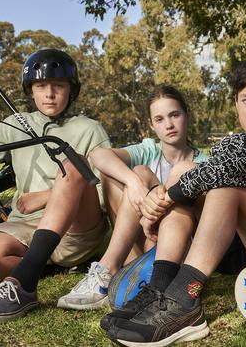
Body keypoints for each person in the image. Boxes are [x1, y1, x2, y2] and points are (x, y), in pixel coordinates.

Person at [104, 53, 246, 346]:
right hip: (239, 248)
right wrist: (171, 197)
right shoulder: (230, 143)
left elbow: (235, 168)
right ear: (236, 102)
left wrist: (165, 201)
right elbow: (204, 176)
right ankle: (160, 289)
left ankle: (185, 302)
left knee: (221, 186)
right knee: (183, 170)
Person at [0, 49, 111, 324]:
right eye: (41, 86)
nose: (50, 94)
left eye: (59, 86)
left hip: (76, 228)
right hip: (24, 224)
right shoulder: (13, 125)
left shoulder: (90, 129)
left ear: (71, 90)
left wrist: (47, 196)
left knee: (72, 161)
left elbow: (104, 190)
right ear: (31, 91)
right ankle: (44, 264)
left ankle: (24, 283)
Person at [56, 85, 207, 310]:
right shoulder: (149, 150)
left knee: (144, 173)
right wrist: (135, 184)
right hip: (143, 241)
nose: (168, 124)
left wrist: (154, 194)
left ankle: (113, 268)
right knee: (133, 172)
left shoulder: (204, 161)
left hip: (178, 248)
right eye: (159, 119)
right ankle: (111, 268)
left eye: (175, 115)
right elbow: (98, 155)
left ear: (187, 115)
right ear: (151, 125)